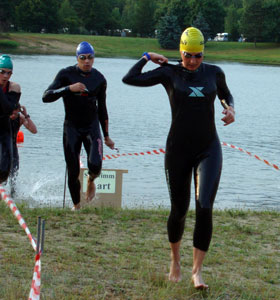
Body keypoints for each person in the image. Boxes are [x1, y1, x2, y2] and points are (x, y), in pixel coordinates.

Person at [122, 27, 235, 289]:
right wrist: (146, 56)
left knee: (204, 206)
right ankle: (175, 261)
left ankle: (197, 272)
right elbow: (130, 79)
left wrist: (230, 108)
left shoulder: (214, 73)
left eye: (197, 55)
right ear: (180, 52)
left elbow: (225, 94)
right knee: (179, 210)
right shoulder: (169, 72)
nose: (193, 61)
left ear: (203, 52)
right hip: (178, 150)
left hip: (209, 148)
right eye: (187, 55)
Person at [42, 41, 115, 210]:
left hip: (91, 126)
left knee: (96, 165)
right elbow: (46, 96)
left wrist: (107, 136)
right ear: (77, 58)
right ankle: (76, 206)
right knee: (73, 170)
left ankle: (91, 180)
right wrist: (69, 88)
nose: (87, 61)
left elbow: (103, 108)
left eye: (90, 58)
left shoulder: (99, 79)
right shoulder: (66, 75)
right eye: (83, 58)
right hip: (72, 127)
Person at [0, 54, 21, 184]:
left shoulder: (14, 87)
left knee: (4, 169)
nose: (6, 76)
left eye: (9, 73)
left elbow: (8, 108)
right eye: (2, 72)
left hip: (4, 127)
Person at [9, 105, 37, 196]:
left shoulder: (20, 118)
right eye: (11, 113)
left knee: (13, 176)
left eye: (15, 113)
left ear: (18, 111)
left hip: (13, 148)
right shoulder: (3, 117)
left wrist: (26, 115)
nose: (13, 115)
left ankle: (12, 195)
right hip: (3, 146)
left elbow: (34, 130)